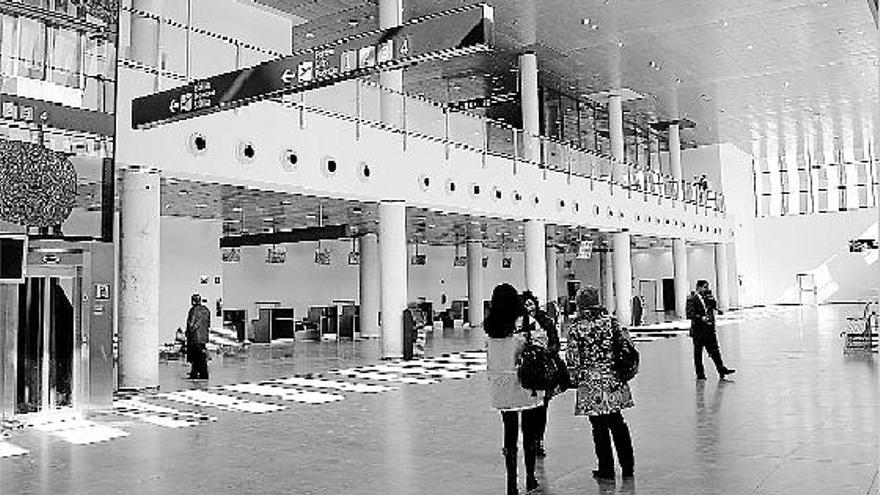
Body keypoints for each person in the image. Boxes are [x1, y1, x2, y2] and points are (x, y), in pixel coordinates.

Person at [566, 286, 635, 480]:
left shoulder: (577, 328)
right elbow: (627, 345)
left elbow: (573, 359)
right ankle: (628, 466)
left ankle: (606, 468)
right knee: (617, 422)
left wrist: (572, 378)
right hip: (613, 378)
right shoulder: (611, 323)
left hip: (591, 382)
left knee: (598, 426)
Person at [485, 283, 544, 495]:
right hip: (525, 382)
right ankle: (530, 477)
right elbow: (541, 345)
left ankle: (511, 482)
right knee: (529, 433)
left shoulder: (490, 325)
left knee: (509, 433)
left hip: (501, 384)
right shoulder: (526, 321)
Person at [520, 290, 560, 458]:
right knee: (527, 409)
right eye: (525, 305)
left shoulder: (546, 322)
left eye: (530, 304)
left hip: (543, 372)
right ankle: (529, 440)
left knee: (542, 408)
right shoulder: (519, 323)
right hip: (527, 372)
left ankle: (539, 439)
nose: (528, 307)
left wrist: (546, 352)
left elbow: (555, 343)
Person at [686, 280, 735, 380]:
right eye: (704, 287)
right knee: (698, 354)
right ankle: (700, 374)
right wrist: (701, 318)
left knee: (715, 351)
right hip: (698, 331)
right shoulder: (691, 299)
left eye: (707, 287)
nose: (706, 289)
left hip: (709, 330)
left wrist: (711, 298)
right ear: (698, 287)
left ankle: (721, 370)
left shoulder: (707, 298)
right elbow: (690, 314)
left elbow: (714, 306)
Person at [186, 294, 211, 380]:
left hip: (195, 337)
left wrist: (188, 333)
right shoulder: (206, 310)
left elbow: (191, 325)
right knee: (201, 356)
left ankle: (197, 374)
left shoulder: (193, 310)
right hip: (203, 338)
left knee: (196, 357)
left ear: (193, 301)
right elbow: (208, 324)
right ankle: (200, 373)